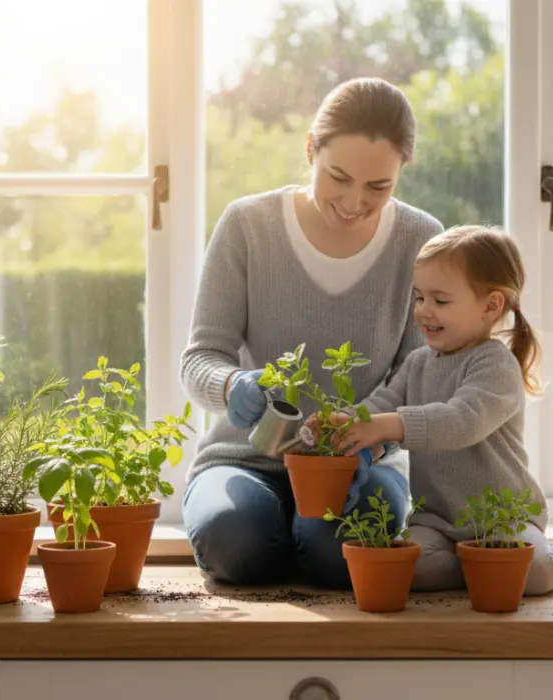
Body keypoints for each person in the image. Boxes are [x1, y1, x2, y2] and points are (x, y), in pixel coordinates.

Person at [178, 77, 445, 589]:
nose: (353, 202)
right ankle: (282, 533)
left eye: (378, 187)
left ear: (401, 173)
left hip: (359, 468)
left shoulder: (420, 240)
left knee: (335, 554)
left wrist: (369, 447)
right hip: (245, 459)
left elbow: (419, 378)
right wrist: (233, 386)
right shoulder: (248, 226)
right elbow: (200, 358)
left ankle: (306, 538)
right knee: (237, 542)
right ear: (310, 150)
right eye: (338, 177)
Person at [329, 225, 553, 595]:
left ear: (491, 306)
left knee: (535, 571)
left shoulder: (495, 365)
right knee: (412, 569)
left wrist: (386, 426)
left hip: (502, 518)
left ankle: (528, 558)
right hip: (437, 520)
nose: (424, 311)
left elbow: (461, 421)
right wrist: (347, 422)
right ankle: (480, 567)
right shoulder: (418, 363)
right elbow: (380, 406)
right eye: (419, 298)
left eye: (440, 301)